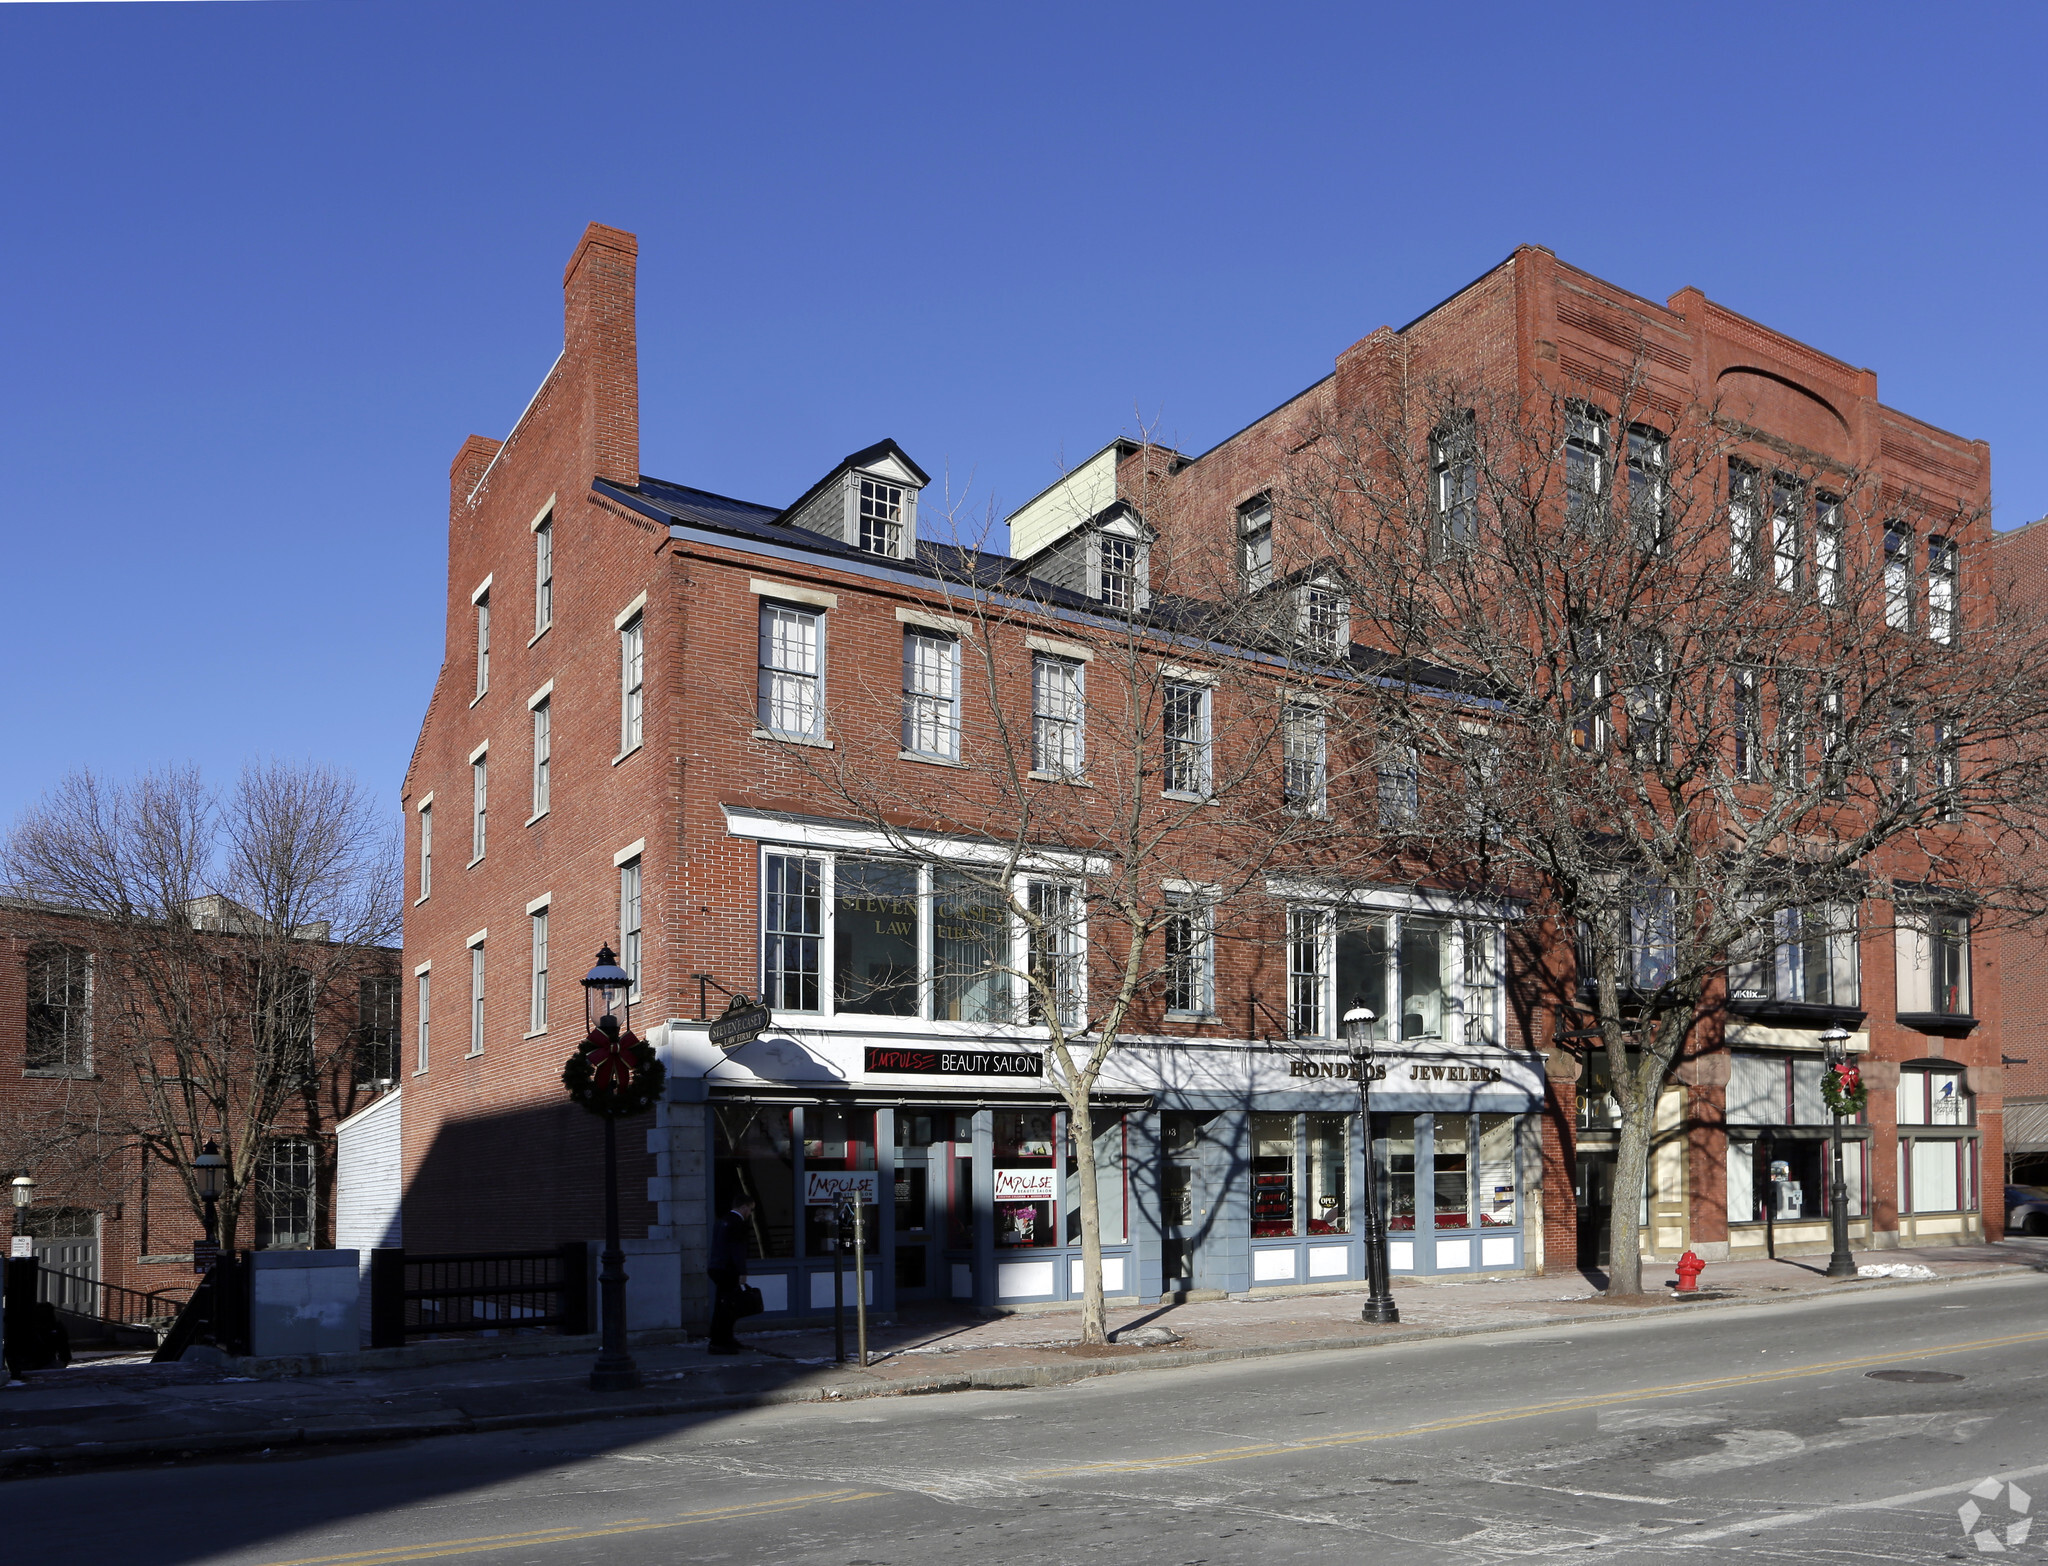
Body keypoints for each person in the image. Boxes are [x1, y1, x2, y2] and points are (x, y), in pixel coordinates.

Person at [706, 1195, 756, 1354]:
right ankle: (721, 1342)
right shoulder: (737, 1223)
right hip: (728, 1269)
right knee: (727, 1307)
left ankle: (722, 1338)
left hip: (717, 1267)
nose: (750, 1213)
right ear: (744, 1207)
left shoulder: (722, 1220)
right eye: (750, 1209)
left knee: (722, 1305)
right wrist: (742, 1271)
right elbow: (737, 1250)